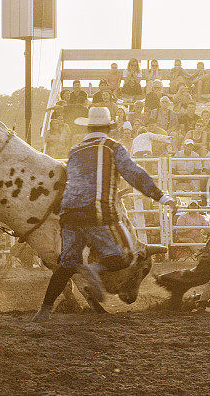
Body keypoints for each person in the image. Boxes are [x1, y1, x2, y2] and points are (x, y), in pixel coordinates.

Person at [32, 107, 177, 322]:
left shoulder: (75, 150)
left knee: (67, 264)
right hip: (98, 213)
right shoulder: (113, 148)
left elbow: (73, 181)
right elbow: (134, 174)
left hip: (69, 214)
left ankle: (44, 310)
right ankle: (94, 269)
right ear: (108, 128)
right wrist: (161, 197)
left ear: (88, 127)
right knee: (129, 254)